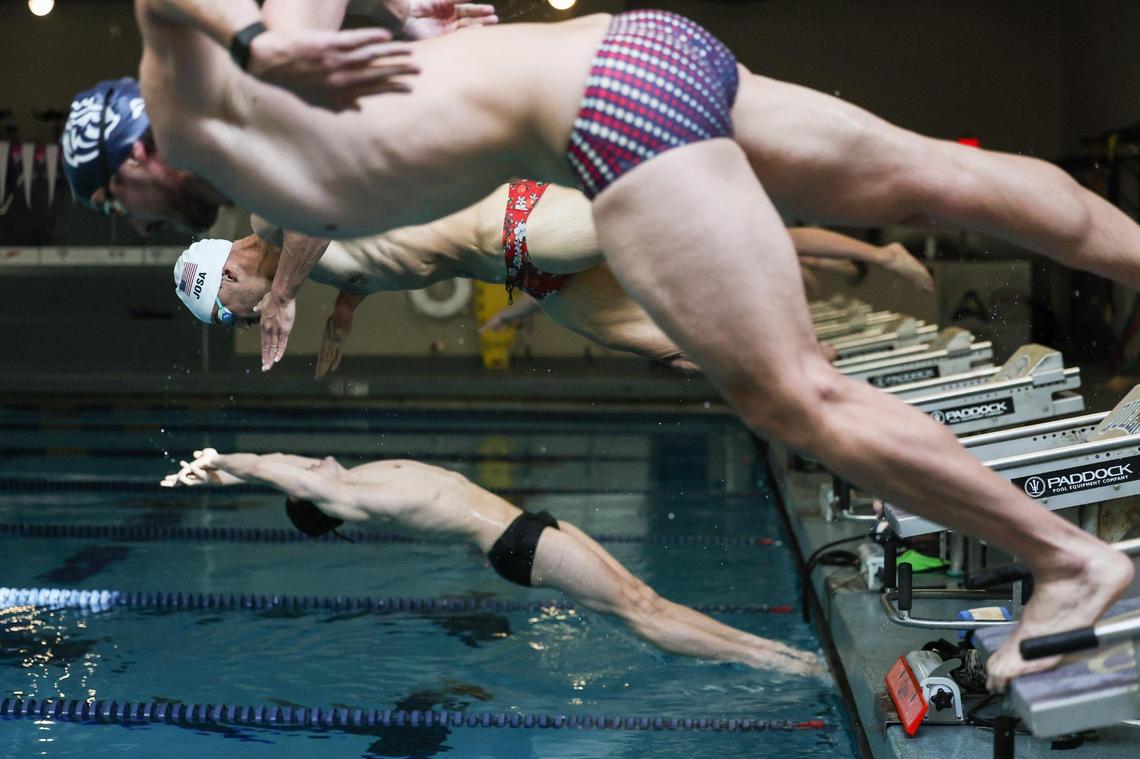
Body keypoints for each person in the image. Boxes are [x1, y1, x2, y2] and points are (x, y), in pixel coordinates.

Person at [72, 0, 1139, 688]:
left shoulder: (195, 104)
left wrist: (264, 39)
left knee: (788, 400)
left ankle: (1071, 558)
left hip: (600, 124)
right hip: (646, 50)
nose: (122, 216)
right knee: (937, 173)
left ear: (131, 151)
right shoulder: (259, 164)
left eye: (106, 195)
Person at [159, 447, 821, 675]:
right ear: (316, 497)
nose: (312, 461)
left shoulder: (357, 476)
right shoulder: (342, 492)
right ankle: (778, 661)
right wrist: (210, 467)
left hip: (526, 528)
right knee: (645, 614)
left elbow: (286, 461)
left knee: (644, 600)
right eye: (308, 474)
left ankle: (777, 657)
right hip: (515, 544)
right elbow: (269, 467)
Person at [169, 180, 932, 376]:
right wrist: (340, 316)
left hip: (524, 225)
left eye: (232, 309)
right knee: (666, 349)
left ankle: (877, 248)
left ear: (230, 268)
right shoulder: (304, 264)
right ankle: (805, 367)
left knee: (685, 213)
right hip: (529, 277)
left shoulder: (269, 221)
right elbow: (363, 263)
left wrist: (281, 301)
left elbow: (308, 217)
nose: (244, 321)